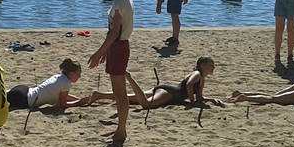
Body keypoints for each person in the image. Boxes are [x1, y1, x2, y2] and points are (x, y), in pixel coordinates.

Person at [88, 0, 134, 143]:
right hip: (118, 47)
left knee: (120, 93)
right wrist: (106, 51)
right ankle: (120, 130)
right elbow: (115, 32)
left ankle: (121, 132)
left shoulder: (120, 2)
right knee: (119, 92)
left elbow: (114, 33)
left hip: (119, 47)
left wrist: (99, 52)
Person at [92, 57, 224, 109]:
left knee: (132, 98)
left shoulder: (202, 78)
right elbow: (189, 86)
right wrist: (192, 102)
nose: (213, 67)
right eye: (210, 65)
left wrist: (211, 100)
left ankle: (100, 95)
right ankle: (130, 79)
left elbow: (199, 97)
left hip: (167, 90)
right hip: (170, 93)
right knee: (146, 104)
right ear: (201, 65)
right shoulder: (197, 74)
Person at [7, 58, 90, 109]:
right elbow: (62, 105)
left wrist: (78, 99)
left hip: (24, 90)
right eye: (78, 74)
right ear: (71, 73)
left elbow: (62, 95)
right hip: (24, 99)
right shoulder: (66, 83)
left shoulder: (58, 77)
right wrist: (78, 103)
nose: (79, 76)